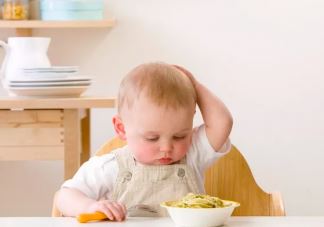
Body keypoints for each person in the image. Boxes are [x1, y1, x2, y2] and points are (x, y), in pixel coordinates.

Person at [56, 62, 233, 221]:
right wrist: (89, 206)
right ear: (122, 129)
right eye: (152, 138)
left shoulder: (194, 155)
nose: (166, 148)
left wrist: (195, 87)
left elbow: (222, 123)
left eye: (180, 136)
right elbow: (64, 197)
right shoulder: (110, 167)